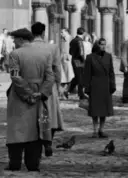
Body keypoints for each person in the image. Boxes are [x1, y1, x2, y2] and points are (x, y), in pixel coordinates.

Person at [5, 28, 54, 172]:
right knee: (36, 130)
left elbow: (15, 76)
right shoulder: (46, 53)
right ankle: (33, 163)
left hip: (19, 96)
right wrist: (41, 93)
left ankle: (15, 163)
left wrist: (27, 94)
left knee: (16, 129)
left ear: (20, 40)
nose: (13, 42)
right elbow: (50, 77)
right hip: (39, 95)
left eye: (15, 39)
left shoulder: (15, 54)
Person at [30, 22, 62, 157]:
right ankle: (48, 143)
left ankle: (36, 142)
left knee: (33, 116)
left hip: (31, 85)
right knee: (50, 115)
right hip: (49, 86)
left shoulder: (26, 48)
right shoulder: (53, 47)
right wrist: (59, 84)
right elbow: (57, 68)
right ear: (43, 33)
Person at [83, 37, 115, 137]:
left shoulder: (108, 56)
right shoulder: (90, 57)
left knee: (104, 109)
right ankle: (95, 130)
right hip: (95, 84)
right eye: (101, 44)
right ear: (97, 45)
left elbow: (111, 72)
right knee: (95, 109)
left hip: (105, 84)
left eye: (105, 44)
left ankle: (101, 129)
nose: (103, 46)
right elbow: (87, 73)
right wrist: (87, 87)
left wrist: (112, 85)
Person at [67, 28, 87, 99]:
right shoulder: (80, 41)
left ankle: (68, 91)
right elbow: (81, 53)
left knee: (77, 77)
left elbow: (70, 52)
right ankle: (81, 94)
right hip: (79, 60)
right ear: (83, 33)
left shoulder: (72, 40)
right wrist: (84, 61)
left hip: (74, 59)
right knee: (80, 77)